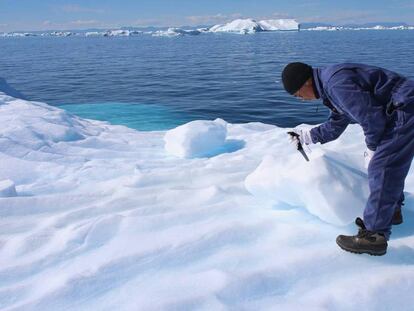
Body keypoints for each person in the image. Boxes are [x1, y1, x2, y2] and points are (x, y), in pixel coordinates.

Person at [281, 62, 414, 256]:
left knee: (382, 166)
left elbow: (372, 119)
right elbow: (337, 123)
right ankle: (391, 211)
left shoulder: (336, 85)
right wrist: (308, 136)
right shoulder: (330, 85)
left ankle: (374, 236)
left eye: (298, 95)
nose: (301, 100)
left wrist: (372, 149)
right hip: (404, 106)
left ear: (306, 82)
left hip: (404, 108)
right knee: (389, 165)